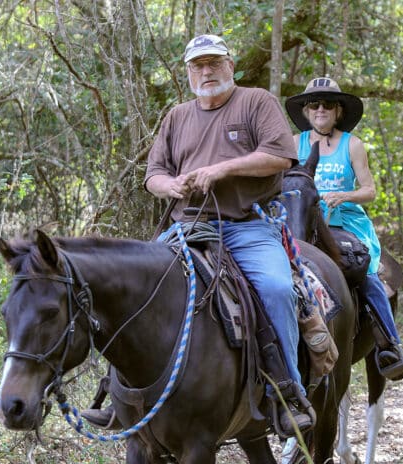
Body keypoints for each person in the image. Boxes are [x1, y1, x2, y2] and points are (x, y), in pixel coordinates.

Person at [81, 34, 312, 435]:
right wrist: (169, 187)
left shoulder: (256, 101)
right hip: (186, 228)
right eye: (197, 66)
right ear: (188, 72)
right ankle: (120, 396)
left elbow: (280, 156)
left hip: (246, 226)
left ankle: (287, 392)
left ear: (230, 64)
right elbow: (153, 174)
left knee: (276, 289)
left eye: (213, 63)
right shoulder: (176, 116)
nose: (206, 72)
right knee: (133, 291)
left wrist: (222, 169)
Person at [284, 77, 403, 380]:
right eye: (314, 104)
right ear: (306, 111)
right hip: (300, 219)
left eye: (328, 104)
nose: (321, 109)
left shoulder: (353, 145)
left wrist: (344, 195)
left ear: (338, 111)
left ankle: (388, 343)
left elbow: (370, 191)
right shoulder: (292, 143)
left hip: (344, 222)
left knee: (362, 271)